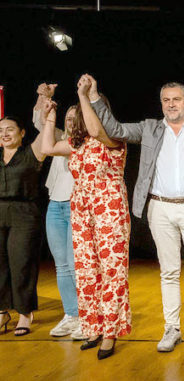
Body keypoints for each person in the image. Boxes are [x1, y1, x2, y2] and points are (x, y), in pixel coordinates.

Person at [91, 54, 184, 352]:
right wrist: (95, 98)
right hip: (160, 208)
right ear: (161, 104)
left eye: (176, 99)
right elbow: (115, 129)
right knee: (169, 272)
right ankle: (171, 329)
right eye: (166, 100)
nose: (171, 104)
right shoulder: (149, 129)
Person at [41, 76, 131, 359]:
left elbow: (95, 126)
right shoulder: (78, 145)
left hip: (109, 208)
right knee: (87, 270)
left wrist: (84, 96)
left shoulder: (113, 138)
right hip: (81, 208)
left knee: (112, 271)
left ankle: (110, 332)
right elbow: (47, 148)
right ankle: (93, 326)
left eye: (81, 113)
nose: (78, 119)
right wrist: (50, 117)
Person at [31, 83, 85, 339]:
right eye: (67, 119)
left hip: (77, 207)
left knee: (76, 266)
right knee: (62, 266)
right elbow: (40, 123)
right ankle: (71, 314)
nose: (71, 123)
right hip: (55, 206)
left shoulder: (87, 144)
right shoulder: (60, 138)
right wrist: (44, 97)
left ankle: (87, 315)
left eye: (76, 119)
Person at [0, 87, 47, 336]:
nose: (4, 134)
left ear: (21, 133)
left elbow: (44, 130)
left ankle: (25, 313)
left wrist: (43, 100)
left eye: (9, 129)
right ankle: (1, 312)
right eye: (0, 131)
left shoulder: (31, 153)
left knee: (21, 263)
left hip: (24, 213)